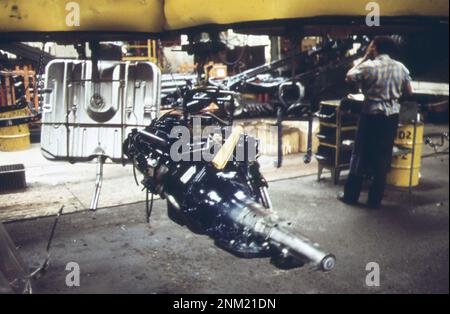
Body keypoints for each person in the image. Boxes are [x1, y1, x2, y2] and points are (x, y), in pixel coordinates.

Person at [337, 36, 413, 209]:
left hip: (370, 115)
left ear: (374, 48)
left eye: (371, 46)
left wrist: (364, 57)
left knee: (360, 155)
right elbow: (409, 90)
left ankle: (351, 196)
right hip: (391, 118)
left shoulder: (369, 66)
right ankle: (374, 200)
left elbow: (349, 76)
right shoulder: (401, 67)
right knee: (383, 157)